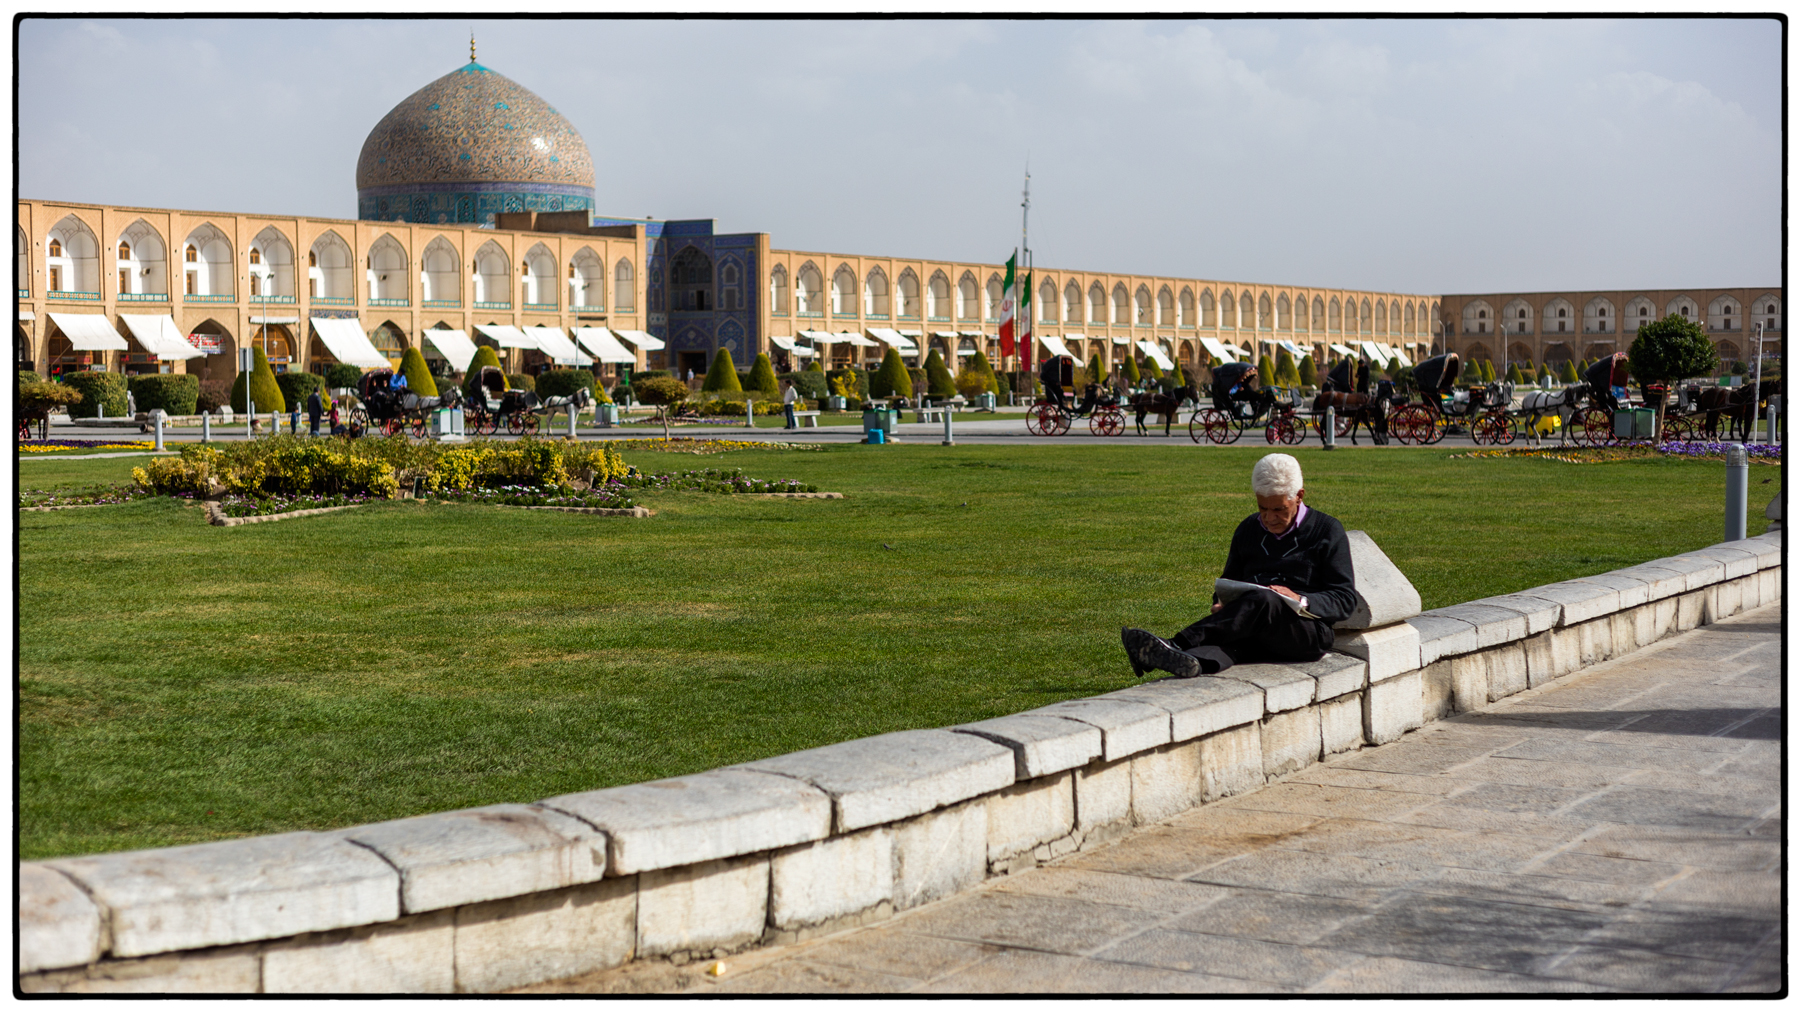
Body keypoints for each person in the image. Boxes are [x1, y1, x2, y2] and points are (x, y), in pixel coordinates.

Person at [1121, 453, 1357, 677]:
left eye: (1278, 509)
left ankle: (1177, 643)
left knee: (1265, 600)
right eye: (1262, 508)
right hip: (1253, 627)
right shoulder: (1248, 529)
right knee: (1232, 644)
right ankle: (1189, 661)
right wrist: (1222, 604)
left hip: (1306, 634)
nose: (1269, 517)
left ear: (1299, 496)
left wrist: (1299, 598)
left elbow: (1345, 599)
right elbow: (1228, 582)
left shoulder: (1327, 530)